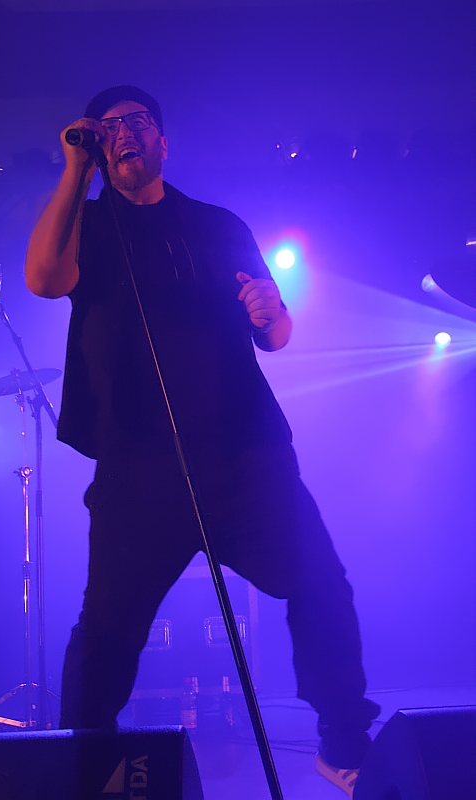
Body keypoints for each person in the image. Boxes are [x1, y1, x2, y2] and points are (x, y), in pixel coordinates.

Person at [25, 85, 379, 797]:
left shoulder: (217, 225)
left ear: (162, 141)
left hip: (245, 459)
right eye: (109, 126)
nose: (124, 132)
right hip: (137, 470)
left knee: (321, 584)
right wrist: (74, 170)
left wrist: (271, 311)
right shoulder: (89, 227)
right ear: (99, 146)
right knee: (104, 637)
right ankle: (81, 771)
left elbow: (275, 334)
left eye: (138, 122)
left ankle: (344, 745)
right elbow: (42, 278)